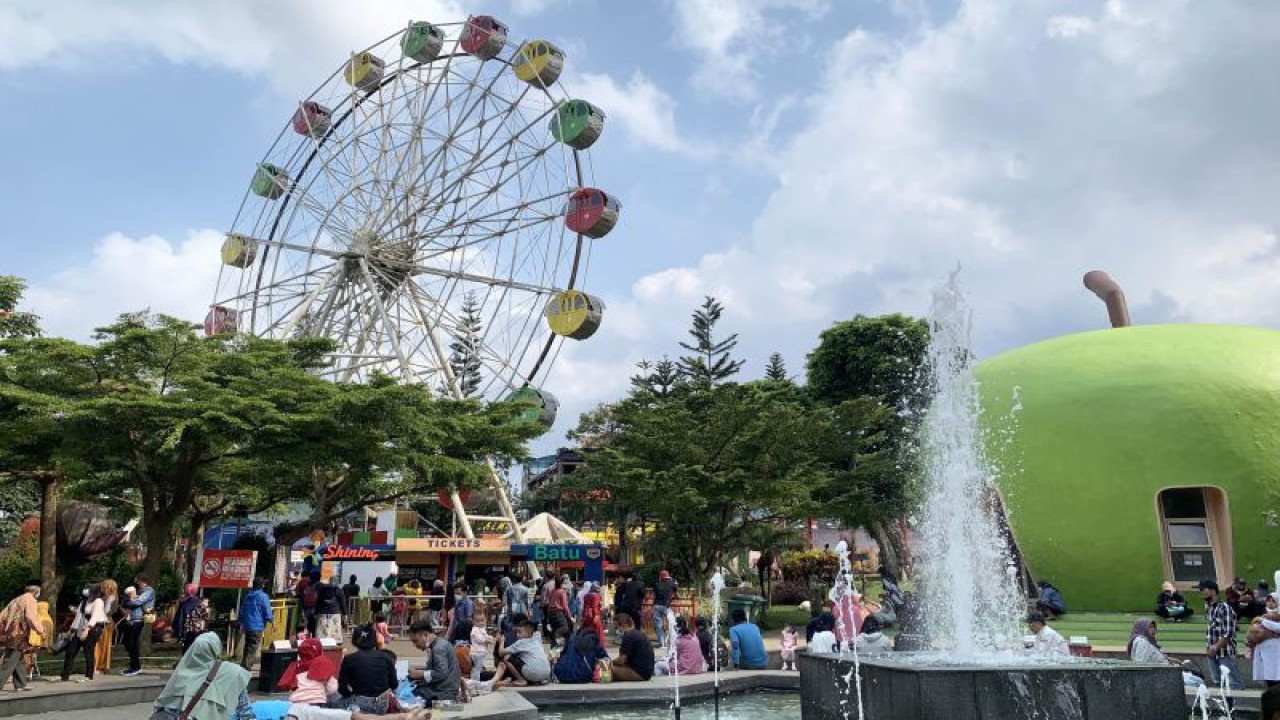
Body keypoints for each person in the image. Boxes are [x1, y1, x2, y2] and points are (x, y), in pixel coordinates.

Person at [151, 632, 254, 720]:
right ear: (216, 649)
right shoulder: (231, 672)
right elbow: (245, 711)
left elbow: (164, 707)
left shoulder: (180, 673)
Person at [338, 624, 398, 714]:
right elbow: (394, 685)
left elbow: (342, 688)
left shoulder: (349, 659)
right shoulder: (386, 657)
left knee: (333, 700)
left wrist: (352, 694)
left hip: (358, 704)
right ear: (374, 640)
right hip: (383, 705)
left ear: (355, 640)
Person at [1199, 579, 1244, 689]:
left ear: (1213, 591)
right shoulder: (1209, 608)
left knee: (1234, 684)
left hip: (1225, 652)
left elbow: (1228, 633)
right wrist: (1209, 648)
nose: (1200, 592)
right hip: (1213, 651)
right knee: (1218, 683)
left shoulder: (1224, 607)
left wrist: (1214, 648)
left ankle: (1237, 705)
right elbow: (1211, 630)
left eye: (1202, 589)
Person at [59, 585, 107, 682]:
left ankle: (89, 675)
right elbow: (78, 617)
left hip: (94, 628)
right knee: (71, 650)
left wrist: (87, 630)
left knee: (88, 650)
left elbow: (95, 616)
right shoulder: (84, 601)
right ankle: (65, 675)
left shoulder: (98, 601)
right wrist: (71, 630)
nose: (86, 591)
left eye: (88, 590)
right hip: (81, 627)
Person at [406, 619, 462, 703]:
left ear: (424, 635)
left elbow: (442, 673)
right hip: (446, 689)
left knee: (406, 694)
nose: (415, 645)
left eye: (415, 641)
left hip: (444, 693)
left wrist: (420, 674)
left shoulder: (438, 648)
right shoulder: (439, 644)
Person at [0, 583, 43, 691]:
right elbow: (31, 616)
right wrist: (40, 629)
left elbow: (2, 615)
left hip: (10, 633)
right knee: (10, 660)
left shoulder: (16, 599)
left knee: (19, 659)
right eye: (39, 592)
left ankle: (21, 684)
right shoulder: (31, 600)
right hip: (19, 634)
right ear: (35, 591)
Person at [279, 637, 340, 706]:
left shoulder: (296, 666)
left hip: (296, 702)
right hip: (317, 701)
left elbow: (291, 686)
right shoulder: (323, 664)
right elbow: (332, 688)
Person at [492, 619, 551, 687]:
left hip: (533, 673)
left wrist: (501, 641)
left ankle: (521, 680)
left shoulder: (521, 642)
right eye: (517, 632)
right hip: (546, 674)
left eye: (520, 632)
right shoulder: (536, 639)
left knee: (506, 657)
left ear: (528, 633)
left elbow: (501, 653)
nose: (517, 635)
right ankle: (537, 679)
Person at [121, 574, 155, 676]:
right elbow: (125, 601)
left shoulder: (149, 591)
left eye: (137, 582)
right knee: (127, 642)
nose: (136, 584)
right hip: (130, 619)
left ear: (142, 581)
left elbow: (137, 602)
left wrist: (130, 600)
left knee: (132, 642)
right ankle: (133, 664)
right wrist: (129, 600)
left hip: (138, 619)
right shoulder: (137, 591)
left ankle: (135, 666)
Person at [238, 577, 274, 670]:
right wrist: (273, 623)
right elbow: (267, 612)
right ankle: (246, 669)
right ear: (262, 585)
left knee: (247, 648)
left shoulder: (247, 596)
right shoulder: (263, 596)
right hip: (257, 626)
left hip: (247, 626)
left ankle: (243, 667)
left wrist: (242, 624)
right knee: (252, 649)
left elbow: (242, 612)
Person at [612, 612, 655, 682]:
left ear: (624, 625)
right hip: (646, 672)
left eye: (616, 627)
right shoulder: (638, 633)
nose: (616, 630)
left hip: (639, 673)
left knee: (606, 670)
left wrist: (610, 662)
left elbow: (621, 660)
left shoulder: (629, 636)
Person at [1249, 593, 1280, 687]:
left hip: (1276, 651)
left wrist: (1262, 621)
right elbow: (1252, 632)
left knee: (1277, 677)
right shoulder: (1262, 615)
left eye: (1273, 601)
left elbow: (1278, 628)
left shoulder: (1275, 616)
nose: (1270, 603)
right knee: (1269, 678)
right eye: (1268, 601)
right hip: (1263, 651)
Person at [173, 583, 205, 652]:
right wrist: (202, 629)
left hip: (186, 628)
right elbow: (204, 617)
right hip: (197, 629)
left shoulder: (183, 603)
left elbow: (179, 617)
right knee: (195, 649)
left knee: (186, 648)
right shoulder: (200, 603)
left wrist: (178, 631)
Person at [96, 578, 118, 675]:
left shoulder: (112, 598)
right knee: (99, 644)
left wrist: (107, 602)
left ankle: (102, 665)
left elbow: (107, 611)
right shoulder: (104, 597)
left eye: (105, 587)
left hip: (106, 622)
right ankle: (98, 664)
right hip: (101, 621)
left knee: (104, 644)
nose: (103, 589)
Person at [316, 576, 345, 643]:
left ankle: (321, 641)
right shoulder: (339, 590)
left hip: (323, 612)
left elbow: (318, 601)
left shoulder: (322, 590)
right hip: (335, 612)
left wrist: (317, 611)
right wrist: (345, 613)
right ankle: (336, 642)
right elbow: (343, 603)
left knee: (323, 630)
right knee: (335, 629)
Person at [545, 576, 572, 648]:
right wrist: (570, 617)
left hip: (550, 613)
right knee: (565, 628)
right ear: (562, 583)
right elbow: (565, 606)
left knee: (565, 633)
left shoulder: (553, 591)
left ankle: (557, 646)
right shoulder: (562, 592)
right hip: (558, 613)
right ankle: (554, 635)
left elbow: (548, 602)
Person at [653, 570, 677, 649]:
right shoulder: (671, 584)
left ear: (660, 577)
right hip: (666, 606)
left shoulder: (656, 584)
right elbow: (675, 590)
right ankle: (669, 641)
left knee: (658, 625)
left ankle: (662, 643)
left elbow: (655, 593)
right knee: (670, 623)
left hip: (657, 605)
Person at [580, 585, 607, 649]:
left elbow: (584, 607)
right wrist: (596, 615)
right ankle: (600, 646)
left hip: (586, 615)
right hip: (594, 616)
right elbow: (594, 607)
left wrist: (583, 616)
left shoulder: (586, 595)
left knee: (587, 630)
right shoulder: (596, 596)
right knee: (598, 631)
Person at [469, 608, 492, 681]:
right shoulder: (475, 629)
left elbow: (485, 636)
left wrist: (490, 637)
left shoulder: (482, 629)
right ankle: (475, 681)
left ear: (485, 620)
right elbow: (478, 639)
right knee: (477, 668)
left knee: (478, 667)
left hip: (481, 652)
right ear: (473, 622)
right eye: (477, 621)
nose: (480, 623)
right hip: (477, 652)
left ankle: (476, 679)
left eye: (482, 620)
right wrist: (486, 640)